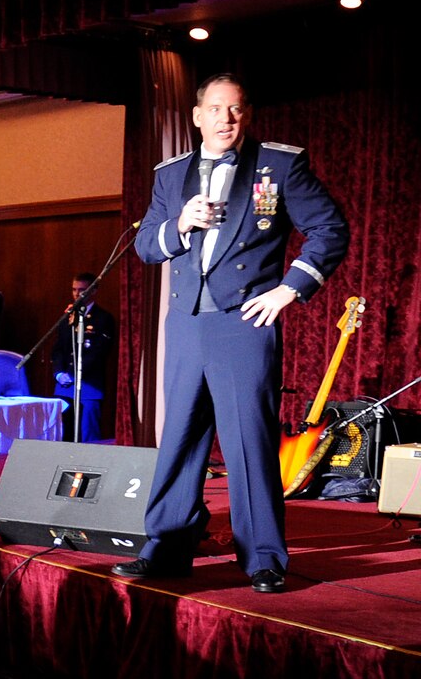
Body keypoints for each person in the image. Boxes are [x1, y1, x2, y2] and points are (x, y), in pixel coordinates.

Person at [116, 73, 348, 593]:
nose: (226, 119)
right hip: (185, 324)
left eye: (236, 109)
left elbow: (331, 230)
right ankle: (167, 547)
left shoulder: (279, 165)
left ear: (247, 115)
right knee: (179, 439)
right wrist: (179, 224)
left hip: (243, 323)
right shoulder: (171, 175)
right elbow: (147, 246)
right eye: (216, 109)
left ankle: (264, 556)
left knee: (249, 443)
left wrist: (289, 289)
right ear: (196, 116)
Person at [51, 272, 118, 443]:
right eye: (74, 290)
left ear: (93, 290)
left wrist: (74, 374)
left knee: (88, 435)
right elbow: (58, 349)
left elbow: (99, 353)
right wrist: (59, 373)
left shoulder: (103, 318)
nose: (76, 294)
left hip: (89, 385)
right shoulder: (68, 315)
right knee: (62, 433)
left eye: (81, 290)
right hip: (64, 385)